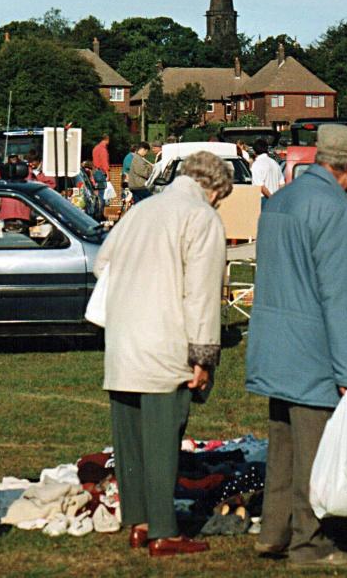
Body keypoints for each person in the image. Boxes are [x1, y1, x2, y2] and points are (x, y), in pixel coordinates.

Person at [245, 124, 347, 569]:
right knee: (315, 451)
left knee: (282, 447)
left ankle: (273, 531)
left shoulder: (282, 200)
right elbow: (340, 300)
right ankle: (309, 543)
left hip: (274, 342)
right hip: (313, 349)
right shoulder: (335, 212)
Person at [94, 151, 231, 558]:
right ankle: (164, 530)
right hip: (166, 345)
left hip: (123, 342)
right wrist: (204, 358)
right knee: (161, 442)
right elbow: (202, 295)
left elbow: (103, 263)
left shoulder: (141, 211)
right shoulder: (201, 217)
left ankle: (137, 522)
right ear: (215, 188)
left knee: (130, 441)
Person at [250, 138, 284, 206]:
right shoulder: (274, 163)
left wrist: (271, 198)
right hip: (276, 198)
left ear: (254, 151)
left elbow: (260, 186)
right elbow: (282, 184)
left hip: (263, 200)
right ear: (267, 149)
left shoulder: (257, 164)